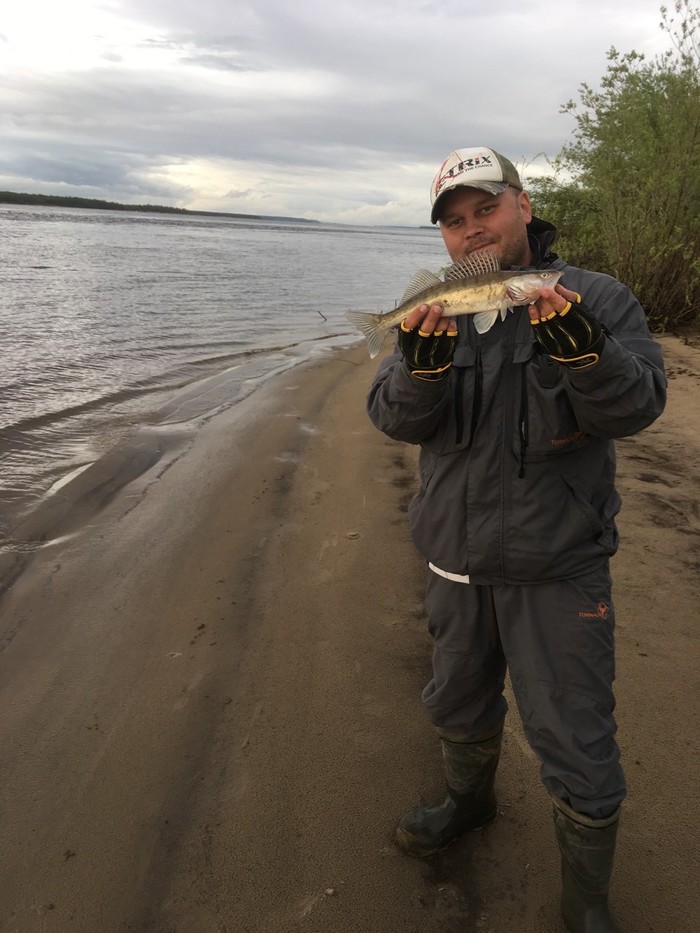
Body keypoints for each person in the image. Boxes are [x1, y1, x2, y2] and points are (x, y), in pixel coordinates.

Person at [366, 146, 667, 933]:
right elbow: (395, 419)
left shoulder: (596, 296)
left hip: (558, 567)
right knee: (457, 699)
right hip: (454, 561)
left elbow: (637, 407)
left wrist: (588, 355)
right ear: (444, 237)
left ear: (524, 205)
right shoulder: (432, 304)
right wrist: (418, 372)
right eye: (455, 222)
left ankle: (587, 898)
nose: (474, 232)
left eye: (486, 210)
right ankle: (467, 801)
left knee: (576, 733)